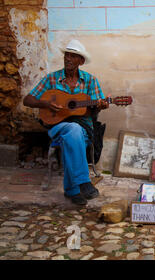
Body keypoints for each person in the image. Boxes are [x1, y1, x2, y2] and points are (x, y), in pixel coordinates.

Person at [23, 39, 109, 205]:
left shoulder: (90, 81)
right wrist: (44, 103)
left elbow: (94, 108)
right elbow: (28, 99)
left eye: (73, 56)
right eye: (66, 55)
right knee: (72, 131)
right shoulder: (51, 79)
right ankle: (84, 181)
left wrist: (100, 106)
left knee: (73, 135)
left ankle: (71, 190)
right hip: (57, 126)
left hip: (84, 129)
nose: (68, 58)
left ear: (81, 61)